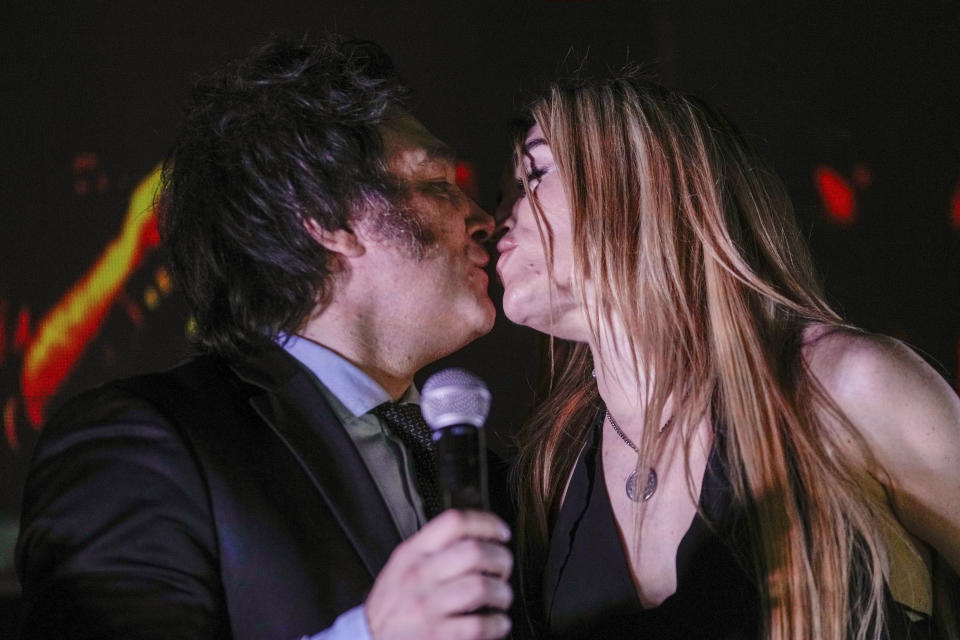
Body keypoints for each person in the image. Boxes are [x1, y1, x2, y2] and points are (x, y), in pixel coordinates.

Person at [16, 36, 514, 640]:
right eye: (437, 182)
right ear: (326, 217)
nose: (483, 217)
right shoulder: (149, 441)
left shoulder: (480, 470)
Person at [495, 75, 960, 639]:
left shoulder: (847, 389)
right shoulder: (555, 463)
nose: (502, 215)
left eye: (536, 173)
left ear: (649, 184)